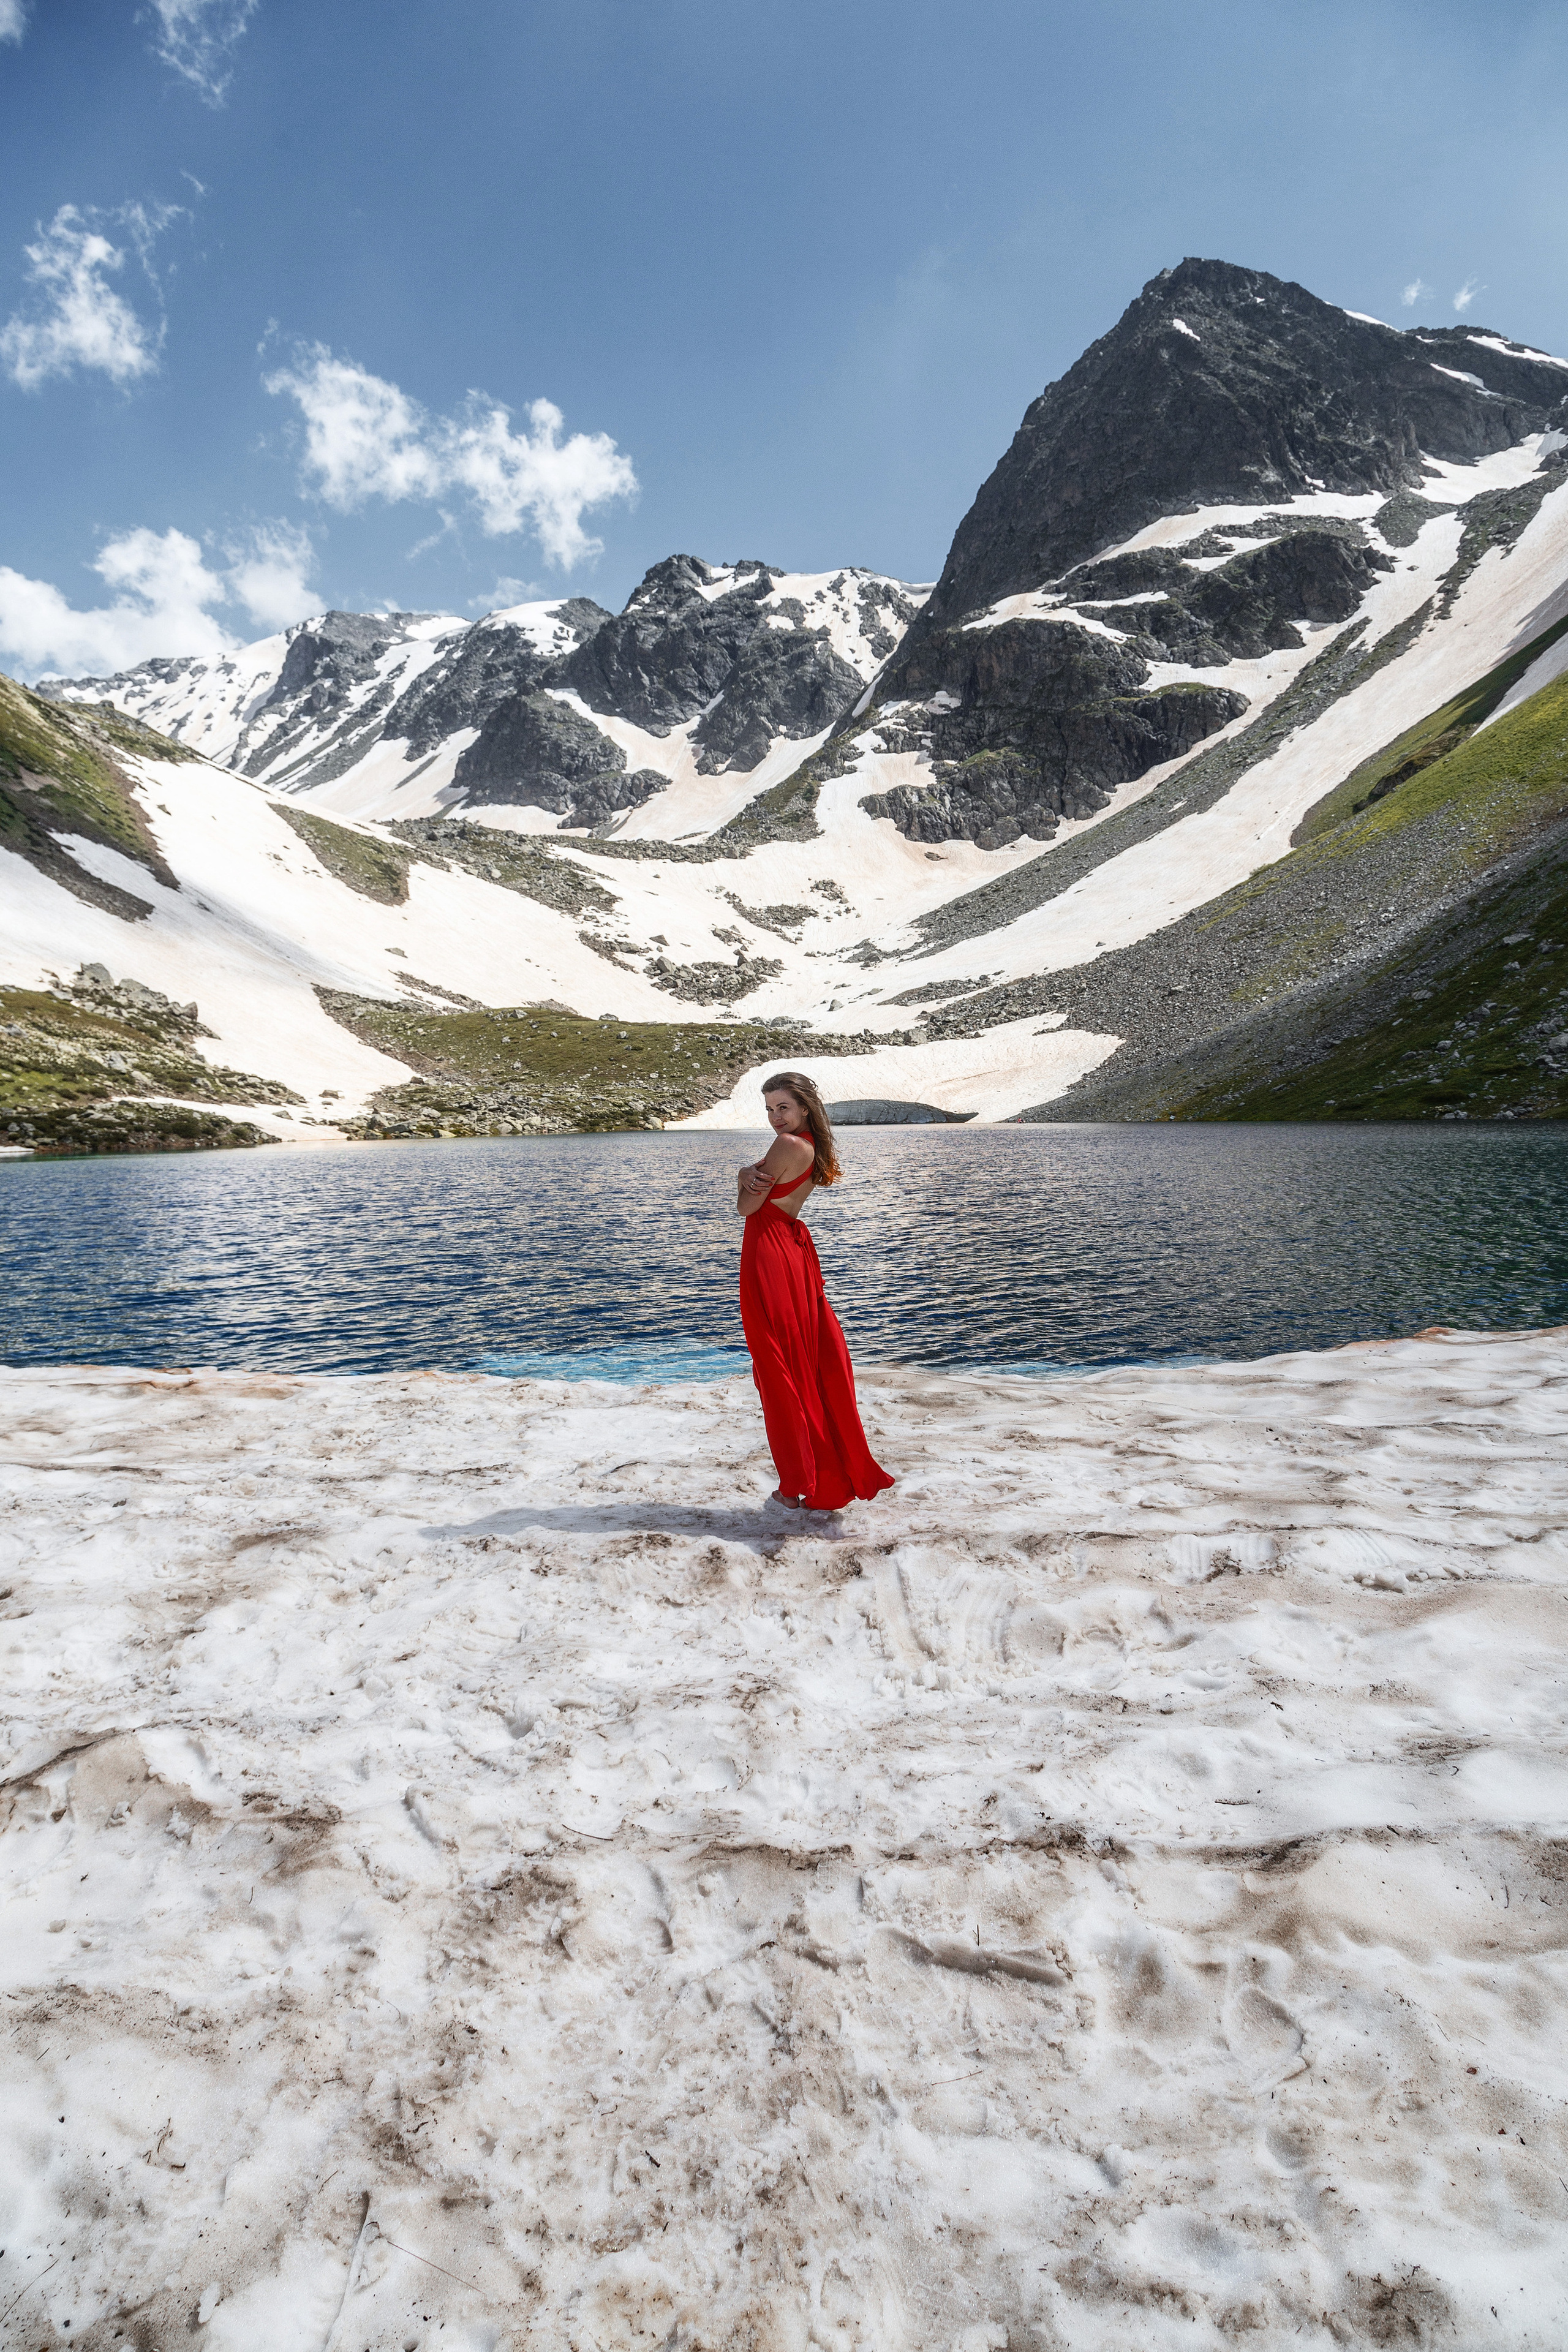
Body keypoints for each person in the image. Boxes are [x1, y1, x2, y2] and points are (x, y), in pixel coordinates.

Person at [735, 1071, 894, 1513]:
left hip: (769, 1251)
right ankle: (820, 1478)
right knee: (802, 1358)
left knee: (778, 1363)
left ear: (805, 1107)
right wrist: (750, 1174)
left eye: (783, 1107)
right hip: (790, 1249)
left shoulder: (787, 1147)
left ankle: (796, 1484)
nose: (775, 1118)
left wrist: (742, 1176)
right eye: (769, 1109)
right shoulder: (814, 1145)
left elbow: (747, 1206)